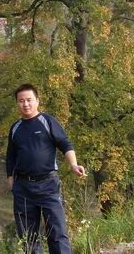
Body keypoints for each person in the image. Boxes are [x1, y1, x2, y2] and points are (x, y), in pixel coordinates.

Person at [6, 83, 85, 254]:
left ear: (37, 101)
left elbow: (65, 144)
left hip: (48, 185)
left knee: (57, 231)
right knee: (28, 236)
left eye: (29, 100)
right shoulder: (15, 128)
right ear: (17, 103)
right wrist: (11, 180)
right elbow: (10, 156)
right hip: (23, 187)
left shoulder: (47, 121)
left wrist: (73, 165)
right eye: (21, 101)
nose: (26, 104)